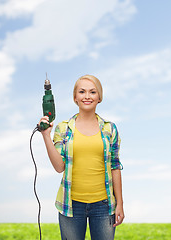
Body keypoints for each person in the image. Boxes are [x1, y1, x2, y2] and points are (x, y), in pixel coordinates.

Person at [39, 75, 124, 240]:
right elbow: (59, 167)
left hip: (104, 205)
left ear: (99, 97)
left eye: (92, 92)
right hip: (71, 205)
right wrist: (46, 136)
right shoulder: (63, 129)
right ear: (75, 97)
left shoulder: (110, 129)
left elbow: (115, 166)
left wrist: (119, 203)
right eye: (82, 92)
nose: (87, 96)